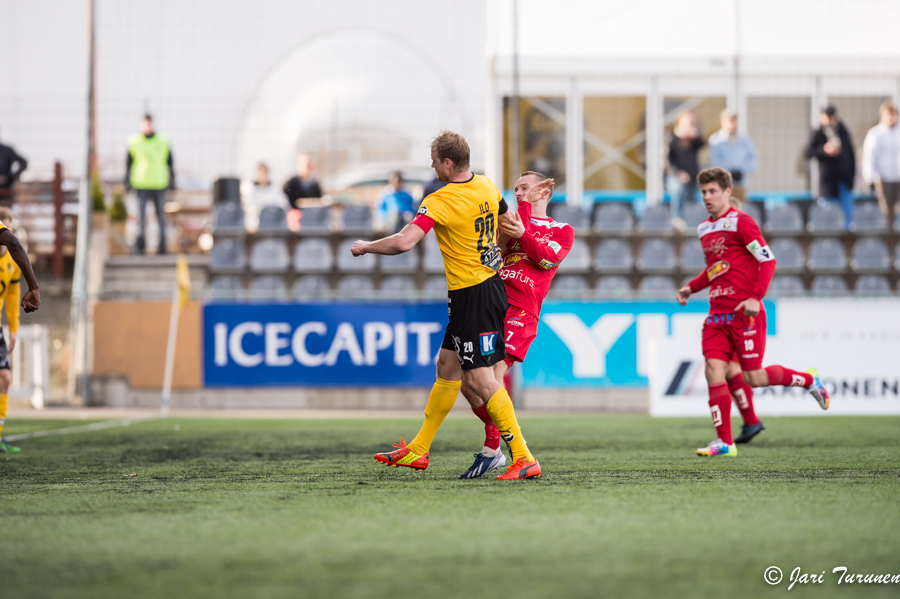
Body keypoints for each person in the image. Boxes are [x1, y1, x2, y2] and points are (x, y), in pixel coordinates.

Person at [351, 130, 541, 480]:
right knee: (446, 366)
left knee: (482, 381)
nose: (433, 166)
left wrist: (366, 245)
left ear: (448, 163)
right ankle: (419, 450)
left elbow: (404, 242)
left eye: (435, 160)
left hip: (475, 296)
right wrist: (493, 250)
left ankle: (523, 456)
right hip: (478, 290)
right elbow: (507, 220)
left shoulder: (441, 200)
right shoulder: (486, 185)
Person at [676, 168, 829, 457]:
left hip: (744, 315)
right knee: (713, 370)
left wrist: (755, 298)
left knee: (754, 378)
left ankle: (810, 380)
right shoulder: (704, 229)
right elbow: (716, 268)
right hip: (716, 315)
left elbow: (768, 261)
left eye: (712, 191)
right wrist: (691, 288)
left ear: (726, 191)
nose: (707, 196)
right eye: (704, 192)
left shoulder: (742, 222)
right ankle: (725, 442)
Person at [458, 171, 573, 478]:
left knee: (491, 377)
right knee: (468, 385)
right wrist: (518, 226)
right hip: (492, 304)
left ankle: (506, 451)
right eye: (516, 188)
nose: (519, 192)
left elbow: (545, 260)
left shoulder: (562, 230)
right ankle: (497, 449)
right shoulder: (507, 223)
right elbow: (494, 251)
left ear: (544, 192)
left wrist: (524, 232)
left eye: (526, 187)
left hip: (522, 311)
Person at [0, 210, 41, 453]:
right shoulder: (11, 242)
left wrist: (13, 328)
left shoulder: (12, 265)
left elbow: (13, 295)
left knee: (4, 377)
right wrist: (35, 287)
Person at [126, 114, 175, 255]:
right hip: (141, 183)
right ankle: (140, 247)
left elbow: (170, 161)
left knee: (161, 218)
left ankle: (162, 247)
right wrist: (127, 182)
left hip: (159, 183)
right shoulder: (134, 141)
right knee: (141, 218)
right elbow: (128, 163)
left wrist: (172, 179)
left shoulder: (163, 140)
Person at [805, 106, 856, 228]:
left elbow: (851, 155)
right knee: (827, 211)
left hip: (844, 179)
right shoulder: (818, 133)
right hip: (827, 181)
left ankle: (846, 240)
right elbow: (808, 152)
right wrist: (824, 150)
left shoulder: (842, 131)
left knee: (846, 213)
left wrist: (852, 177)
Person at [708, 110, 759, 206]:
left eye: (735, 121)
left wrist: (742, 171)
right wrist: (728, 173)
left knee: (739, 210)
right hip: (723, 185)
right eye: (730, 121)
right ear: (722, 122)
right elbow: (714, 161)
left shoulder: (745, 140)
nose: (733, 124)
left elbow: (753, 159)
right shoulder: (716, 139)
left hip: (740, 183)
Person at [862, 102, 900, 216]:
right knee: (886, 210)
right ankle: (889, 232)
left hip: (898, 177)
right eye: (888, 115)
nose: (891, 118)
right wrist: (870, 177)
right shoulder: (876, 133)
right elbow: (870, 156)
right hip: (883, 178)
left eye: (893, 114)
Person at [667, 111, 704, 222]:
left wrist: (695, 136)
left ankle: (691, 221)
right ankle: (676, 218)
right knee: (679, 191)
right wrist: (678, 173)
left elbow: (702, 144)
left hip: (692, 177)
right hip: (676, 176)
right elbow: (666, 160)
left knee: (693, 199)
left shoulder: (694, 140)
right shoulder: (671, 138)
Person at [241, 162, 289, 232]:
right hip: (254, 222)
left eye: (265, 172)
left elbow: (284, 205)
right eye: (261, 172)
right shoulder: (249, 188)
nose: (263, 175)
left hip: (274, 221)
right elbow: (250, 208)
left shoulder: (275, 189)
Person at [0, 132, 28, 206]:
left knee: (4, 215)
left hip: (5, 190)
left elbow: (23, 162)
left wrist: (14, 176)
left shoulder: (6, 150)